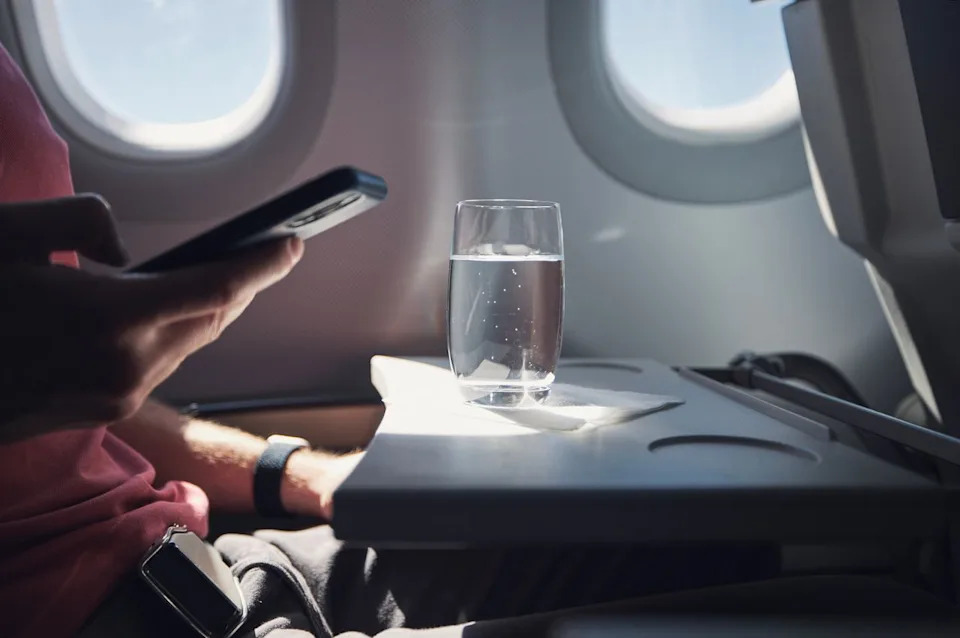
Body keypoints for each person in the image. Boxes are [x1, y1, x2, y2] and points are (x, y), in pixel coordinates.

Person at [0, 42, 777, 638]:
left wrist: (311, 476)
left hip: (214, 566)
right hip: (100, 615)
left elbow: (78, 415)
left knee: (710, 547)